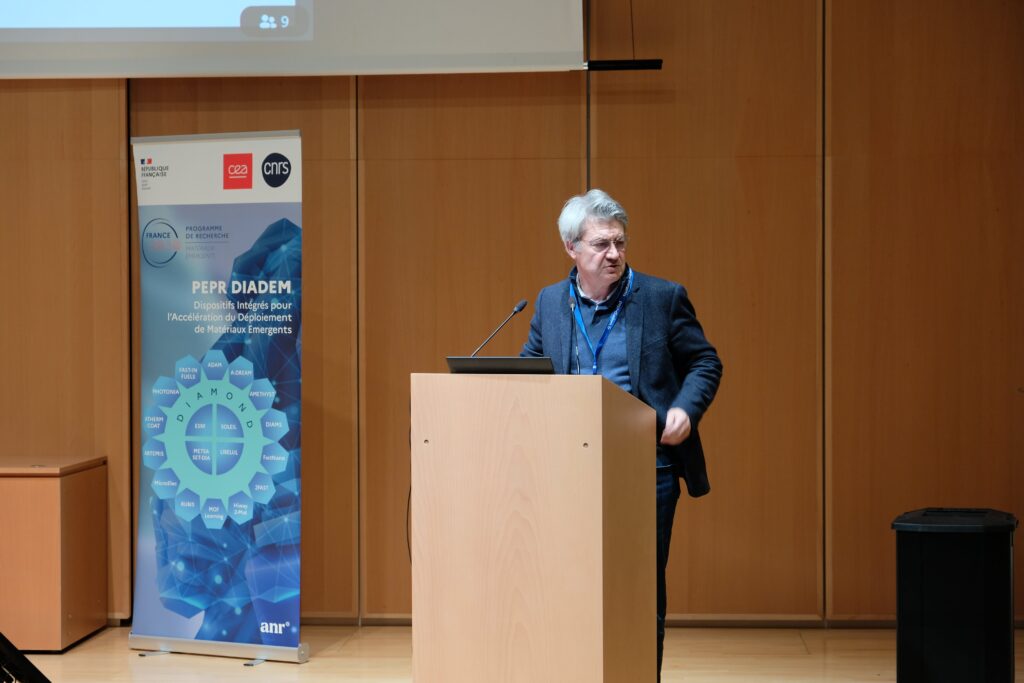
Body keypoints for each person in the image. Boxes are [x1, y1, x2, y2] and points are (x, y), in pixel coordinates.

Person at [521, 188, 722, 680]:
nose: (613, 253)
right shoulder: (551, 302)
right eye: (601, 244)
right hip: (567, 470)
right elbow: (528, 370)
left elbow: (704, 361)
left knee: (638, 589)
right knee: (568, 585)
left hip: (645, 468)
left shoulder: (661, 297)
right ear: (571, 248)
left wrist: (685, 408)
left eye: (619, 242)